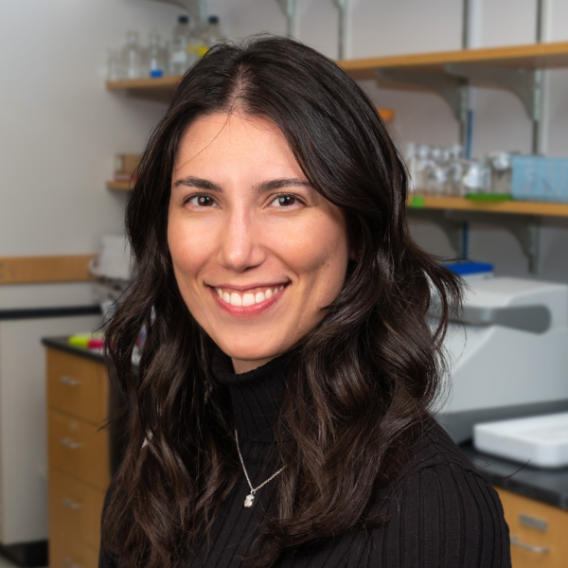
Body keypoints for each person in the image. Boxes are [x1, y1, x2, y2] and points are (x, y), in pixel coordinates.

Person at [100, 36, 511, 568]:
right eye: (202, 200)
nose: (237, 250)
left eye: (285, 199)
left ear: (358, 231)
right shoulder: (164, 459)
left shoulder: (433, 506)